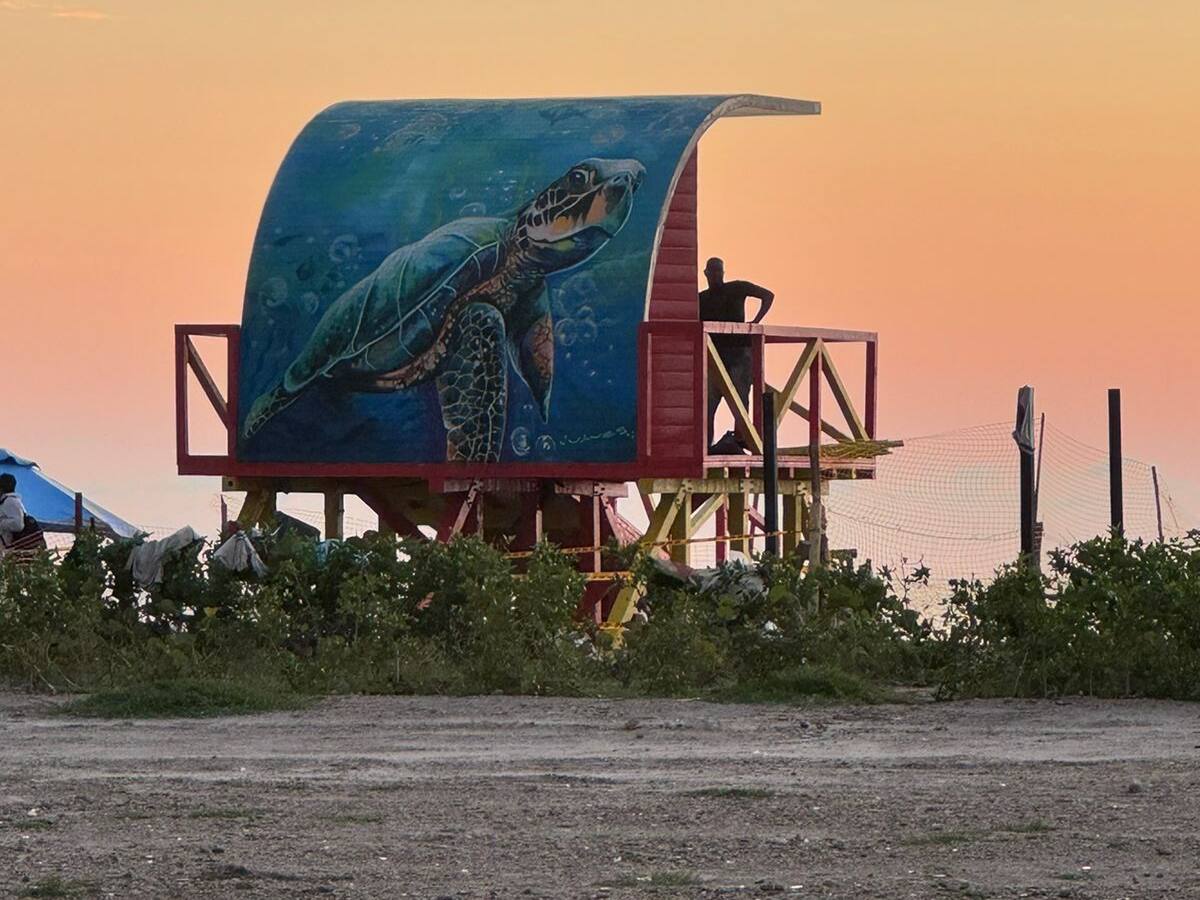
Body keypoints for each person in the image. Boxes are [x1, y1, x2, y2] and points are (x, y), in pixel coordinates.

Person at [698, 257, 775, 449]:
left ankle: (742, 440)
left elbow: (768, 295)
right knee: (708, 405)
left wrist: (755, 322)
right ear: (706, 273)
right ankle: (706, 446)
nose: (716, 275)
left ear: (723, 273)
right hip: (714, 358)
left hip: (739, 354)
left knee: (740, 401)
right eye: (713, 271)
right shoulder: (701, 299)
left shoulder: (737, 288)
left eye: (719, 271)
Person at [0, 473, 29, 553]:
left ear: (2, 489)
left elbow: (18, 525)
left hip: (8, 548)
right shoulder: (9, 501)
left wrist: (1, 522)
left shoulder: (10, 501)